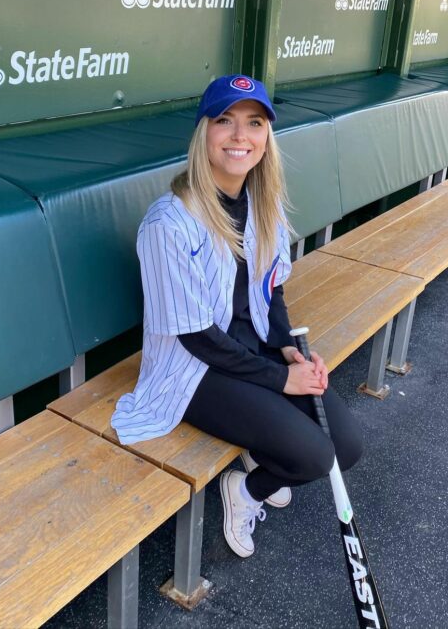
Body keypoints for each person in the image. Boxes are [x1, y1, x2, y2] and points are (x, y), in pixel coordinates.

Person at [112, 74, 363, 558]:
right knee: (313, 454)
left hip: (257, 350)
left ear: (267, 136)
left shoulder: (262, 203)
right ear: (203, 132)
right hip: (193, 371)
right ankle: (244, 491)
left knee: (346, 447)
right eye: (224, 120)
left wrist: (289, 344)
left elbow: (273, 286)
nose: (239, 136)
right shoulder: (168, 223)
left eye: (254, 122)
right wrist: (280, 379)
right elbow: (197, 339)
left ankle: (261, 459)